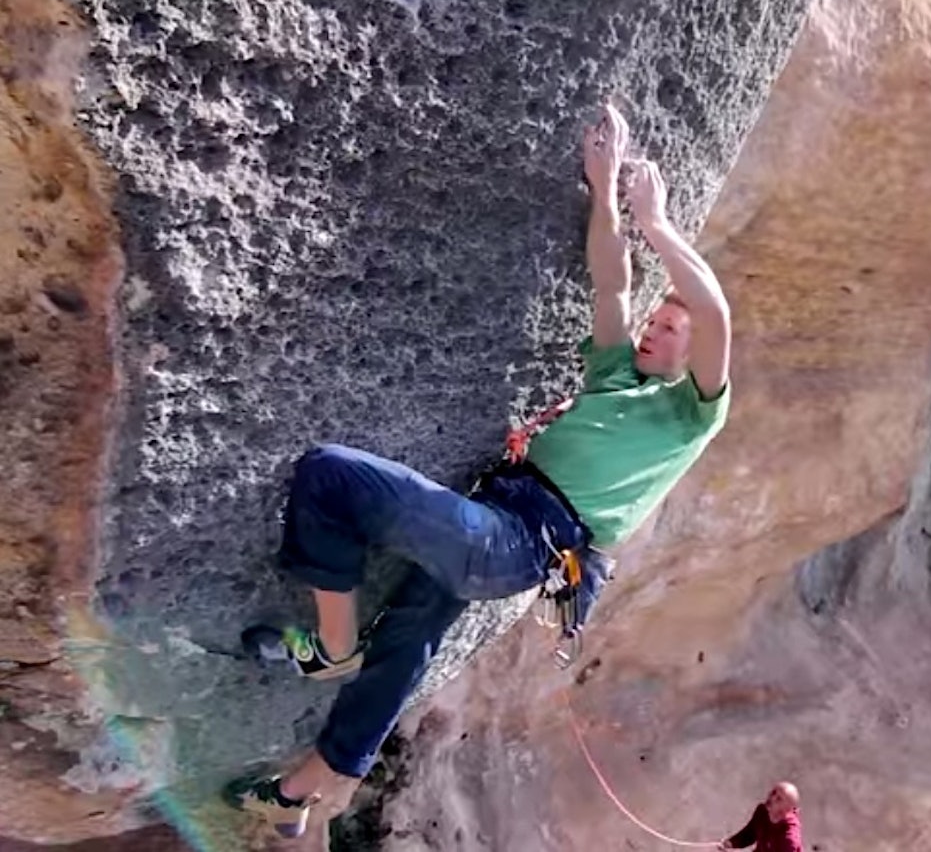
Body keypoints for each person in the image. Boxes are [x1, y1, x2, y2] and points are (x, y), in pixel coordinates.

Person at [222, 101, 733, 838]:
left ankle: (333, 648)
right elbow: (612, 286)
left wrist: (656, 220)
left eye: (669, 331)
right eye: (659, 321)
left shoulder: (694, 412)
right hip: (499, 518)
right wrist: (603, 183)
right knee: (405, 646)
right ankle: (291, 796)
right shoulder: (620, 376)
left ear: (692, 357)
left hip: (518, 538)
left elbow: (715, 312)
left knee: (330, 475)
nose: (654, 330)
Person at [717, 783, 803, 851]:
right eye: (773, 793)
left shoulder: (790, 836)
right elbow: (750, 833)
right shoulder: (762, 811)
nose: (771, 798)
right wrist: (731, 843)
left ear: (787, 809)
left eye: (779, 799)